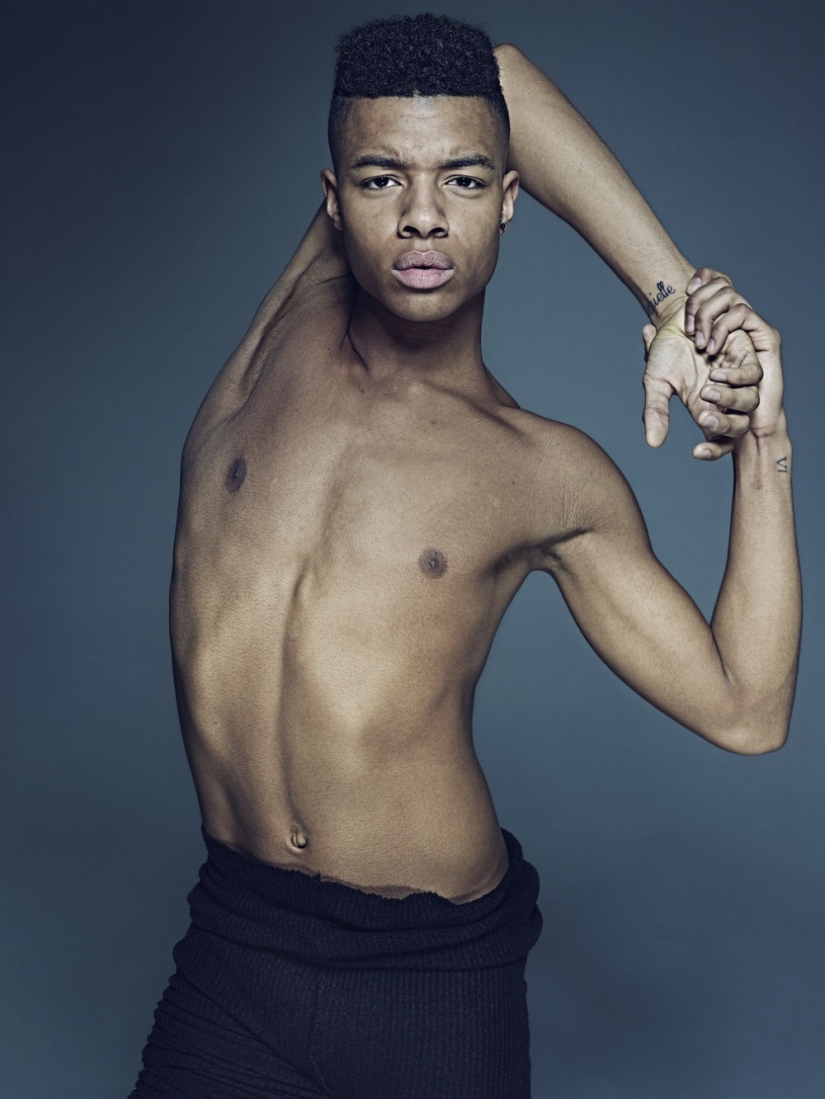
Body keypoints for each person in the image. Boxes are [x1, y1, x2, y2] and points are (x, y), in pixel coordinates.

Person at [130, 14, 800, 1099]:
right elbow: (500, 79)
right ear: (335, 198)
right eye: (385, 182)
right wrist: (669, 293)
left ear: (511, 198)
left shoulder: (545, 472)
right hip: (234, 956)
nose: (425, 216)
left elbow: (747, 707)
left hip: (431, 986)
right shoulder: (281, 342)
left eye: (466, 182)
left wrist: (759, 435)